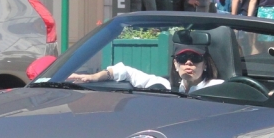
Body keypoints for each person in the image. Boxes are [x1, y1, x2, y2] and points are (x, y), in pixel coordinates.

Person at [68, 44, 224, 95]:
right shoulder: (165, 86)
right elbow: (127, 72)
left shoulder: (219, 87)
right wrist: (96, 77)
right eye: (183, 59)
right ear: (175, 65)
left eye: (195, 59)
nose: (188, 63)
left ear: (205, 65)